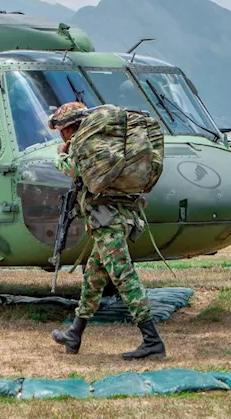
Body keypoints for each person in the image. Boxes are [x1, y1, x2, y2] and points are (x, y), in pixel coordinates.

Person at [47, 101, 165, 360]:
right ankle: (74, 335)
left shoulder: (85, 145)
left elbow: (73, 169)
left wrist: (60, 155)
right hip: (121, 217)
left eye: (62, 131)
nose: (62, 136)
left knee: (123, 276)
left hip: (107, 221)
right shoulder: (104, 143)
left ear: (68, 129)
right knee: (94, 277)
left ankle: (152, 341)